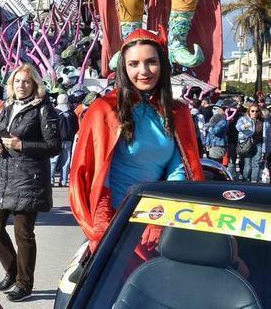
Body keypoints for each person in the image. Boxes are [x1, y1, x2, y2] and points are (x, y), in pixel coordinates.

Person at [69, 28, 204, 257]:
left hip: (162, 221)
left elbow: (180, 169)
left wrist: (162, 216)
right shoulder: (103, 110)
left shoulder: (178, 112)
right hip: (114, 222)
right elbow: (96, 175)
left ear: (162, 65)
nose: (143, 71)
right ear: (124, 68)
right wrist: (104, 226)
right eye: (134, 64)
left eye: (151, 62)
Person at [0, 64, 60, 302]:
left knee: (23, 234)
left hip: (29, 180)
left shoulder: (43, 109)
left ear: (35, 84)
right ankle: (12, 271)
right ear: (11, 84)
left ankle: (24, 283)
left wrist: (23, 145)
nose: (21, 85)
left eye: (26, 81)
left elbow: (54, 146)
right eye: (17, 81)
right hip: (2, 177)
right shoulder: (6, 106)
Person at [52, 94, 78, 187]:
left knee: (53, 160)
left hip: (56, 140)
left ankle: (51, 180)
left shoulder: (54, 112)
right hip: (68, 140)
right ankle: (63, 181)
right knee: (66, 161)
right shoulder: (71, 113)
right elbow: (76, 127)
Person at [236, 104, 264, 183]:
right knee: (247, 165)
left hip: (258, 143)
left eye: (256, 111)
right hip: (246, 143)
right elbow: (238, 127)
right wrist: (245, 126)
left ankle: (254, 182)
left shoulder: (261, 120)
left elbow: (265, 134)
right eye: (252, 111)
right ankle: (246, 182)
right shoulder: (243, 118)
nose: (254, 113)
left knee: (256, 164)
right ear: (249, 111)